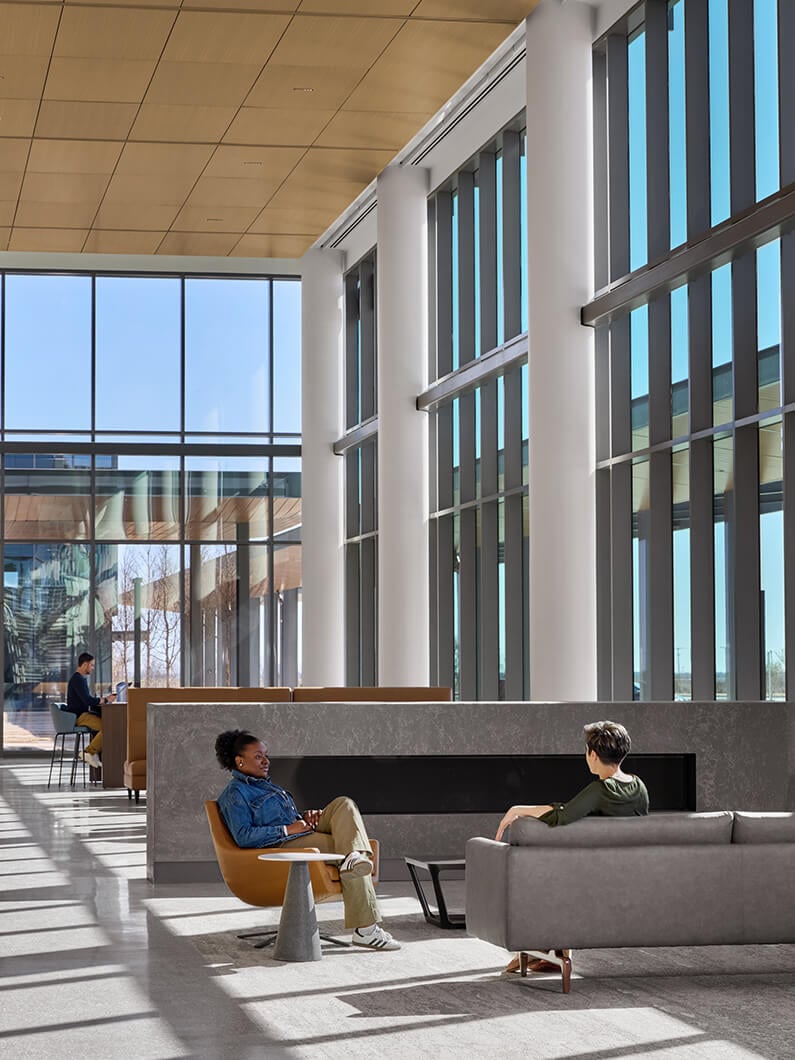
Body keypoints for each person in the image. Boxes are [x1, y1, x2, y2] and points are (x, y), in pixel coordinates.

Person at [215, 730, 400, 951]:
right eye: (258, 756)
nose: (266, 761)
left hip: (301, 833)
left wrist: (303, 818)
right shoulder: (235, 793)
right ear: (240, 761)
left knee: (344, 804)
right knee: (347, 850)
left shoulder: (266, 785)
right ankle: (366, 929)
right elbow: (243, 836)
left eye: (266, 755)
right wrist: (288, 829)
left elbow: (285, 819)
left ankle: (353, 857)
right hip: (281, 846)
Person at [495, 720, 649, 975]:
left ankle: (546, 949)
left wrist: (518, 809)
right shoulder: (639, 787)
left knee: (540, 873)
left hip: (597, 878)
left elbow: (562, 815)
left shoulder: (601, 790)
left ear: (593, 755)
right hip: (629, 873)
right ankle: (553, 951)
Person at [65, 652, 116, 769]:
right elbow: (87, 700)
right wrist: (105, 700)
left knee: (107, 726)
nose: (93, 668)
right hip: (80, 716)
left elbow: (86, 699)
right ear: (85, 664)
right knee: (108, 728)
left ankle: (93, 753)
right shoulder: (78, 679)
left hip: (81, 714)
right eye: (91, 665)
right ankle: (89, 752)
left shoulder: (78, 679)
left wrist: (102, 700)